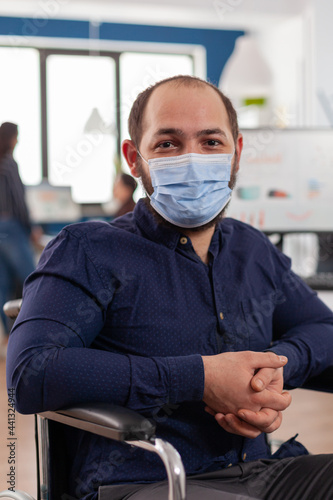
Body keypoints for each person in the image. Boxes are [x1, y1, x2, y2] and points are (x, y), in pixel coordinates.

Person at [6, 76, 333, 500]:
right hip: (152, 479)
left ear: (236, 152)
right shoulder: (89, 250)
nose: (192, 159)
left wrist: (276, 368)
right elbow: (31, 372)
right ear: (133, 156)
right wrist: (199, 378)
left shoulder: (251, 249)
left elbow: (322, 329)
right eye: (168, 144)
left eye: (211, 142)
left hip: (261, 472)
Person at [0, 122, 36, 339]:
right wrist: (30, 228)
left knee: (2, 285)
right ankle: (31, 335)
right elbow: (18, 201)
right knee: (32, 280)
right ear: (11, 138)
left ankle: (9, 338)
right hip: (11, 227)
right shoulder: (9, 164)